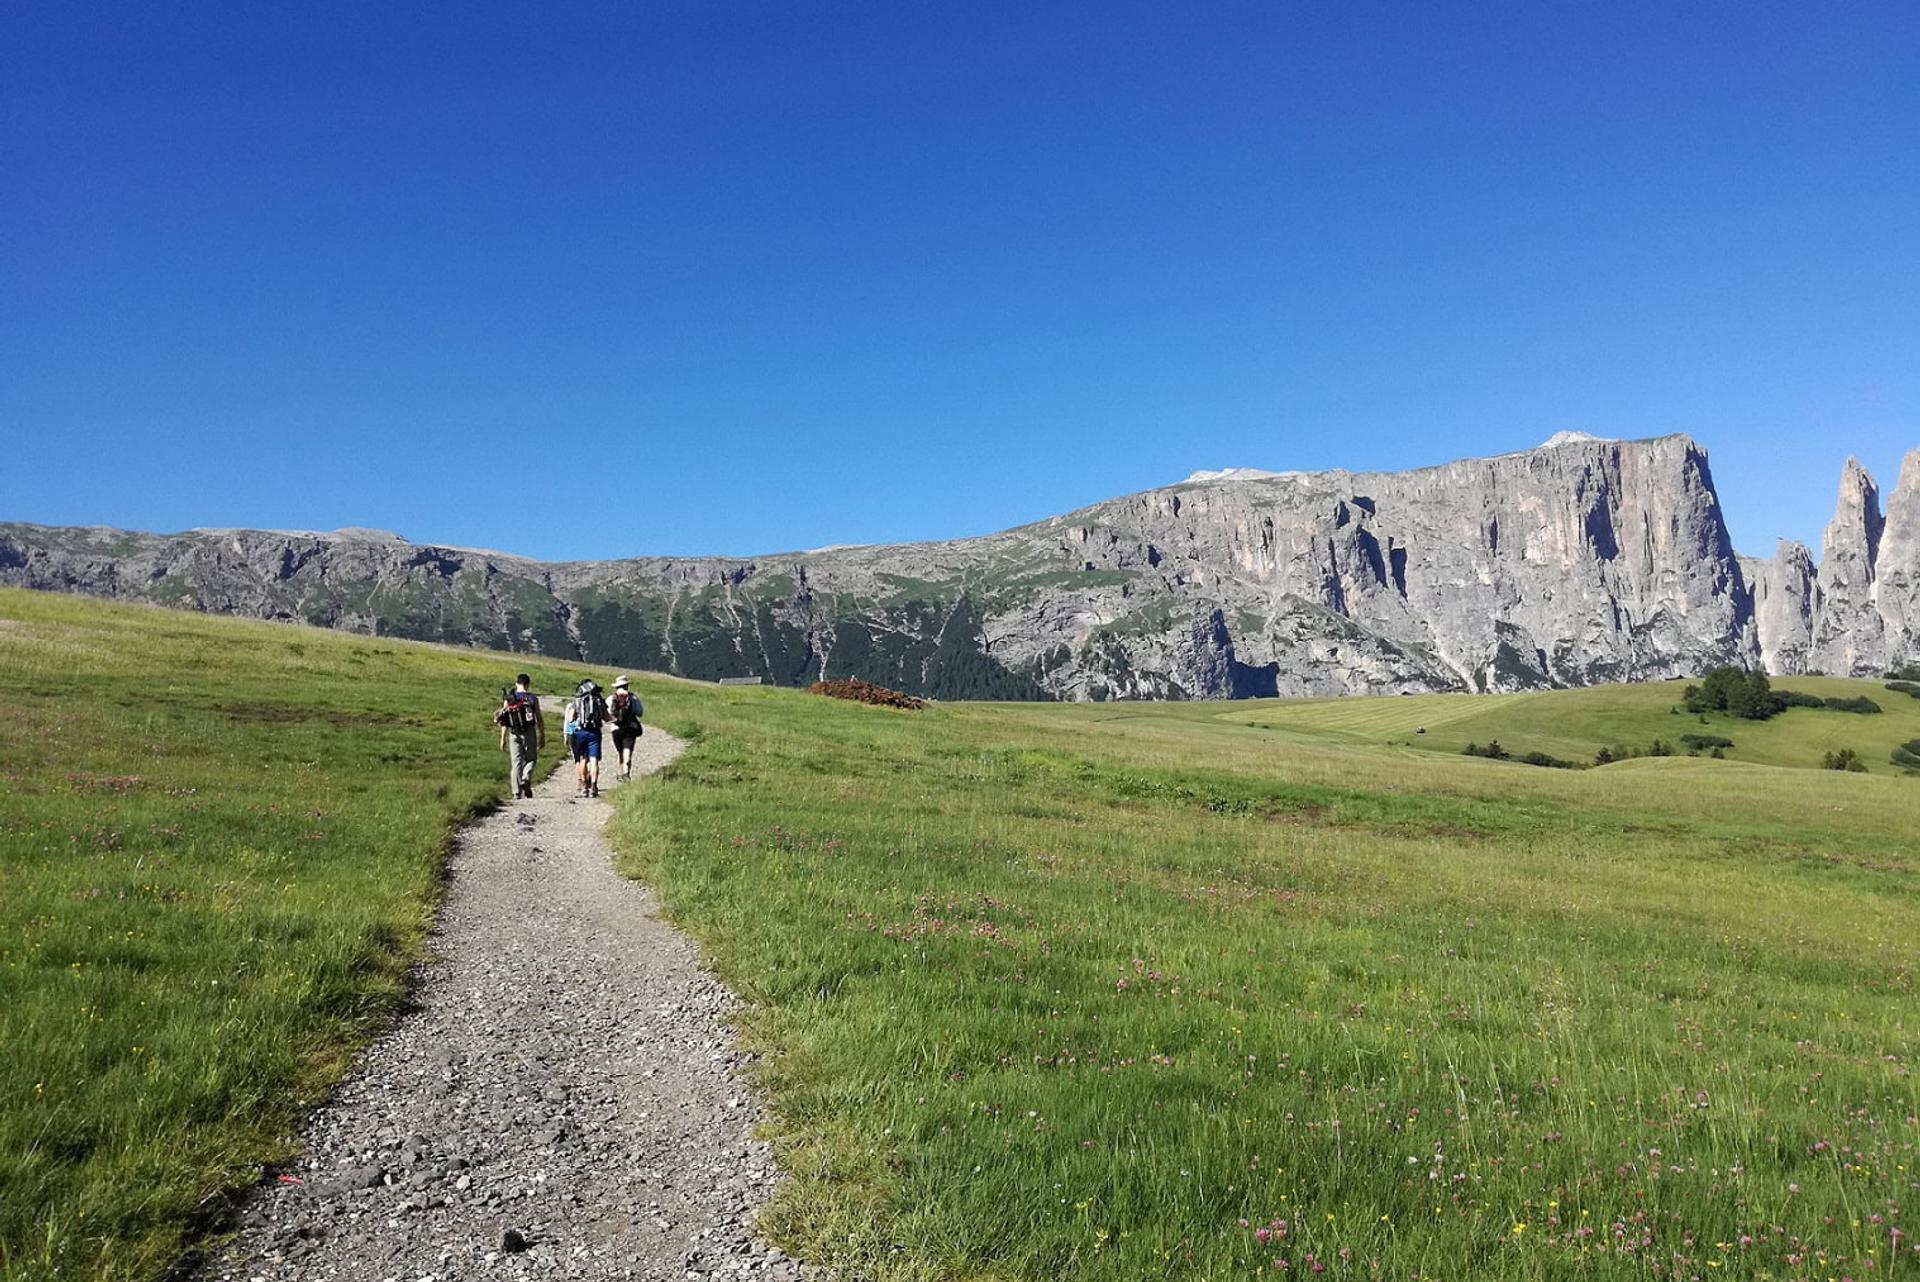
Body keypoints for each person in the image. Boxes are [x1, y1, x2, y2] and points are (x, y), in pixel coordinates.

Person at [494, 674, 544, 800]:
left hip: (513, 733)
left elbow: (504, 720)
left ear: (516, 683)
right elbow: (539, 718)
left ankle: (516, 792)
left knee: (516, 763)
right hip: (529, 732)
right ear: (528, 684)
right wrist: (542, 734)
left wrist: (502, 739)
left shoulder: (510, 698)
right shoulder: (532, 698)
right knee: (531, 759)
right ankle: (526, 778)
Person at [564, 678, 607, 798]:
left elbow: (571, 718)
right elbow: (606, 717)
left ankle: (584, 786)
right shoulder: (598, 699)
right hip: (594, 732)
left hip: (580, 732)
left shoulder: (577, 700)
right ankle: (594, 785)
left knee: (583, 759)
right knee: (594, 760)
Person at [608, 675, 644, 782]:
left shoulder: (611, 698)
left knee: (620, 751)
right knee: (627, 750)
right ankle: (626, 773)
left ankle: (620, 772)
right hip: (629, 727)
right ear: (627, 686)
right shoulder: (633, 698)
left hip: (616, 728)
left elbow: (607, 713)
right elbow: (640, 712)